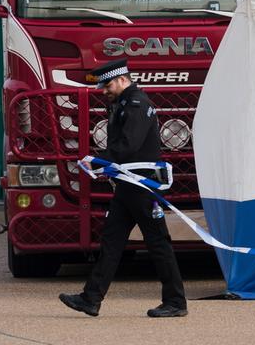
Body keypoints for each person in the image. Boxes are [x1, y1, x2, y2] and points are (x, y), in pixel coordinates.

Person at [59, 59, 188, 318]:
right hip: (127, 187)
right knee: (112, 241)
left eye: (107, 85)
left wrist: (99, 159)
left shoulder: (136, 105)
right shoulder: (124, 104)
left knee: (157, 243)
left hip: (141, 188)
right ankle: (91, 298)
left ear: (121, 80)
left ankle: (176, 301)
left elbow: (127, 146)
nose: (103, 91)